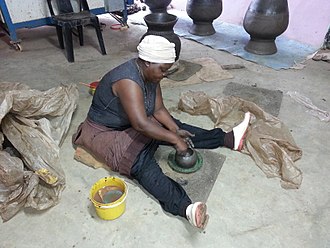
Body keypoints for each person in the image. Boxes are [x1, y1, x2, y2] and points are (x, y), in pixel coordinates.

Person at [72, 35, 250, 229]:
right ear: (147, 62)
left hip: (131, 122)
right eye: (163, 70)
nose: (164, 75)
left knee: (177, 128)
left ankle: (226, 138)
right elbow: (141, 125)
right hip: (104, 132)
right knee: (138, 160)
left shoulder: (151, 74)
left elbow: (158, 110)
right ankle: (185, 208)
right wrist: (174, 140)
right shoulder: (127, 81)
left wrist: (175, 130)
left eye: (166, 70)